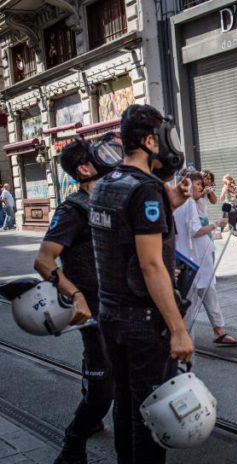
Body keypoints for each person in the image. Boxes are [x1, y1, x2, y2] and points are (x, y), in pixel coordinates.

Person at [89, 104, 194, 463]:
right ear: (151, 141)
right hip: (142, 322)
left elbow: (127, 235)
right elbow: (151, 266)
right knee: (151, 413)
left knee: (126, 406)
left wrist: (171, 203)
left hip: (110, 314)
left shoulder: (106, 184)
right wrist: (178, 329)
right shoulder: (146, 190)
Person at [33, 139, 117, 464]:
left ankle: (93, 413)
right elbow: (43, 260)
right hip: (92, 310)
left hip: (117, 306)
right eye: (101, 155)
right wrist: (76, 295)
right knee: (102, 392)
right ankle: (72, 444)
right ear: (85, 168)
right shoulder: (73, 209)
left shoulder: (112, 201)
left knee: (114, 377)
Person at [173, 171, 237, 345]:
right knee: (192, 297)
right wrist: (215, 224)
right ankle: (186, 336)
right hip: (191, 257)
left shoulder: (179, 202)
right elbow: (195, 230)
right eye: (198, 184)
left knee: (207, 292)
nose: (201, 188)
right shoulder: (187, 203)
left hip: (193, 254)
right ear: (186, 184)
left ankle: (218, 330)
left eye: (202, 185)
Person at [220, 174, 237, 249]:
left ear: (225, 182)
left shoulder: (225, 188)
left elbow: (221, 199)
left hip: (230, 208)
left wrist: (225, 191)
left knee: (231, 228)